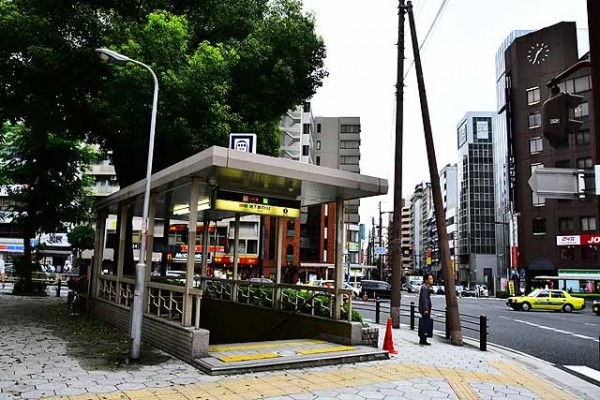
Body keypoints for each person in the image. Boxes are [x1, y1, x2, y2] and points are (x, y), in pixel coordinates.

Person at [418, 273, 434, 345]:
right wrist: (426, 309)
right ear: (426, 280)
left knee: (425, 323)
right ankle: (423, 339)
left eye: (432, 278)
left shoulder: (426, 287)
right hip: (425, 309)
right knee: (425, 323)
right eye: (430, 279)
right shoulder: (425, 288)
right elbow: (424, 299)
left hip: (425, 308)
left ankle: (423, 339)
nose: (432, 280)